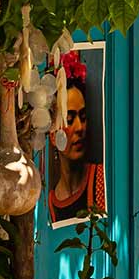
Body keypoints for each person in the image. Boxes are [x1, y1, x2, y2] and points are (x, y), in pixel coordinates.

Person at [48, 52, 106, 223]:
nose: (79, 128)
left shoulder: (100, 178)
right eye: (69, 119)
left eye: (83, 117)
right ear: (52, 132)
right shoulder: (50, 202)